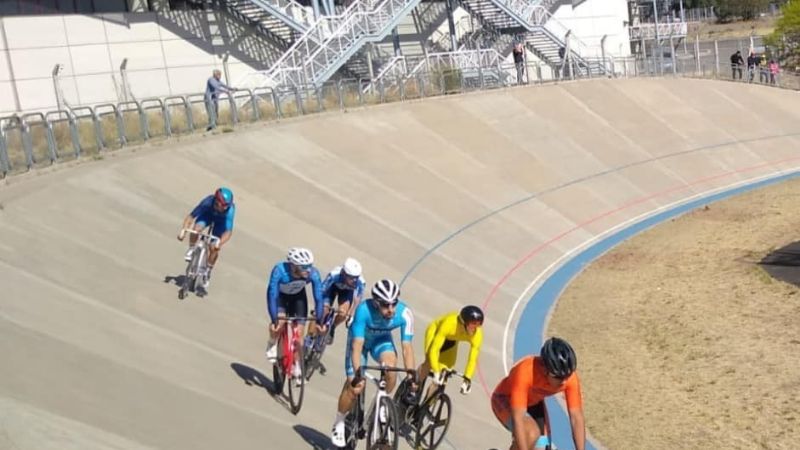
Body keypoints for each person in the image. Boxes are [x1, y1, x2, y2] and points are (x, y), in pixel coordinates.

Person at [330, 279, 416, 447]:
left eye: (394, 304)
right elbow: (356, 347)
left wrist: (412, 375)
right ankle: (339, 421)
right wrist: (357, 374)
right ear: (376, 303)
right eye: (385, 305)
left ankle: (383, 401)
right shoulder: (363, 311)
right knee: (356, 386)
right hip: (360, 342)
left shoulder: (404, 313)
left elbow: (407, 348)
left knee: (391, 368)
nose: (391, 309)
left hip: (381, 342)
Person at [491, 337, 585, 450]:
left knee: (543, 447)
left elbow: (576, 418)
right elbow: (518, 420)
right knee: (531, 434)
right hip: (505, 399)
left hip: (533, 403)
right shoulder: (525, 372)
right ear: (545, 370)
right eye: (559, 377)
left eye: (567, 376)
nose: (564, 381)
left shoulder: (570, 379)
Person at [265, 247, 326, 381]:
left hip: (298, 298)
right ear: (293, 266)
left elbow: (319, 298)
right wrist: (274, 319)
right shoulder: (279, 271)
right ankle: (272, 342)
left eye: (310, 266)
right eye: (304, 267)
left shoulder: (313, 274)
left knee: (299, 336)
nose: (308, 270)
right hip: (280, 298)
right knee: (279, 323)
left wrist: (320, 321)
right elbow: (272, 295)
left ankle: (297, 364)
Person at [415, 305, 484, 401]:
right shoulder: (450, 323)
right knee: (429, 362)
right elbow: (434, 349)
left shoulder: (477, 334)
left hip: (451, 342)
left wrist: (467, 379)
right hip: (436, 332)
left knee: (445, 372)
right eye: (473, 324)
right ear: (464, 322)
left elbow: (472, 359)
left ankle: (426, 405)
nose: (475, 328)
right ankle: (413, 387)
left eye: (478, 324)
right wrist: (436, 370)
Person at [177, 187, 235, 289]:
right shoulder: (207, 202)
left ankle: (208, 270)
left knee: (213, 247)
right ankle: (191, 248)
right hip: (207, 216)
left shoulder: (230, 210)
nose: (225, 208)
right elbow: (190, 217)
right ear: (216, 201)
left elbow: (228, 232)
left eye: (227, 206)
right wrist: (183, 231)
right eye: (224, 206)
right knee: (196, 229)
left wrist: (219, 243)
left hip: (221, 223)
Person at [321, 257, 366, 344]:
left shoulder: (360, 282)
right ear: (343, 274)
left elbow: (357, 300)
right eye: (352, 277)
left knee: (343, 314)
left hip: (346, 292)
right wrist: (321, 306)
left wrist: (351, 315)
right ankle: (310, 336)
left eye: (356, 277)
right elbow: (322, 291)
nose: (354, 280)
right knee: (322, 310)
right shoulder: (334, 275)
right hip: (331, 289)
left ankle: (333, 327)